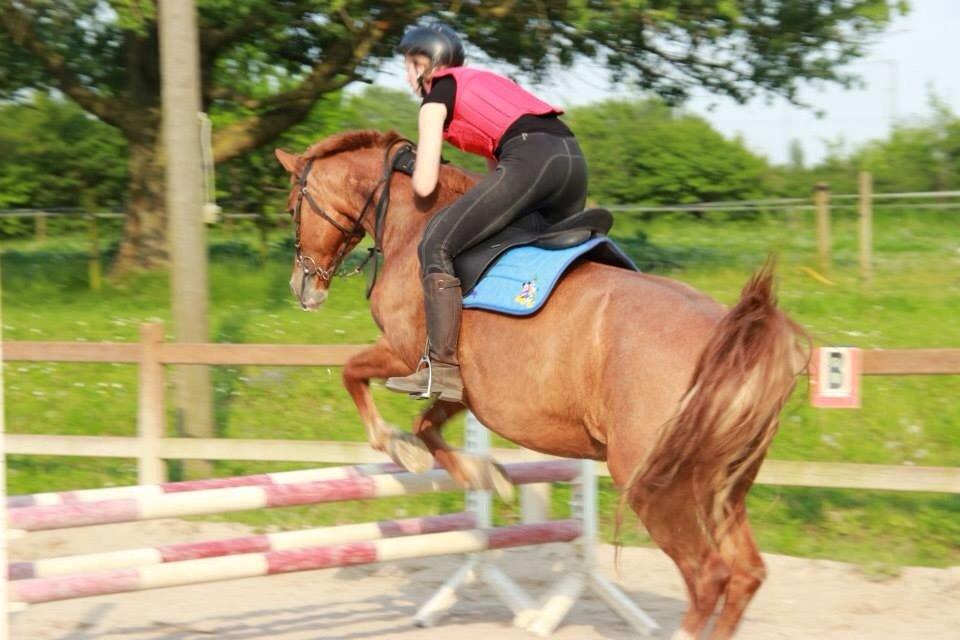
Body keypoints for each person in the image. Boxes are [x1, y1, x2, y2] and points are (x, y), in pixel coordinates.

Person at [385, 23, 588, 403]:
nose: (407, 75)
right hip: (572, 162)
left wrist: (409, 165)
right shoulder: (485, 83)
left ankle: (441, 369)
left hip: (532, 158)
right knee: (512, 240)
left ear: (425, 64)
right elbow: (499, 178)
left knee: (435, 243)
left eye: (409, 64)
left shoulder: (435, 99)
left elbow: (425, 186)